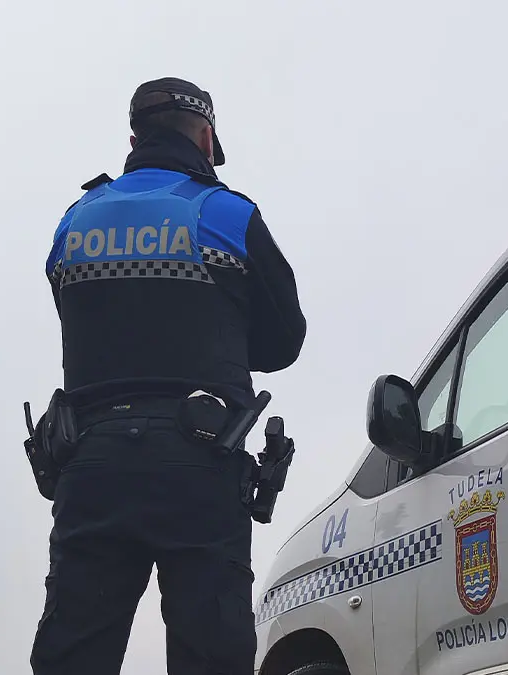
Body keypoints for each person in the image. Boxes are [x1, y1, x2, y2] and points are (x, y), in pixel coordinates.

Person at [29, 77, 307, 675]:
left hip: (91, 463)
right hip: (201, 463)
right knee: (212, 655)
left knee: (72, 656)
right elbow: (286, 342)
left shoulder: (75, 221)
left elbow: (78, 318)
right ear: (206, 138)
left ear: (134, 139)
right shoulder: (229, 214)